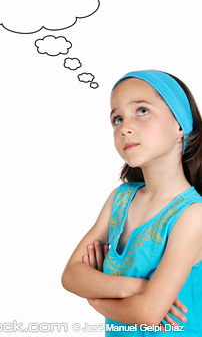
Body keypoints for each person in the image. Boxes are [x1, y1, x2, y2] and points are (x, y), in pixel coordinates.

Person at [61, 70, 202, 335]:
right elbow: (71, 276)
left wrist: (95, 297)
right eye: (117, 118)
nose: (124, 127)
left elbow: (147, 313)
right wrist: (136, 287)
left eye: (142, 111)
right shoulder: (120, 199)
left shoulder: (193, 214)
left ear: (180, 125)